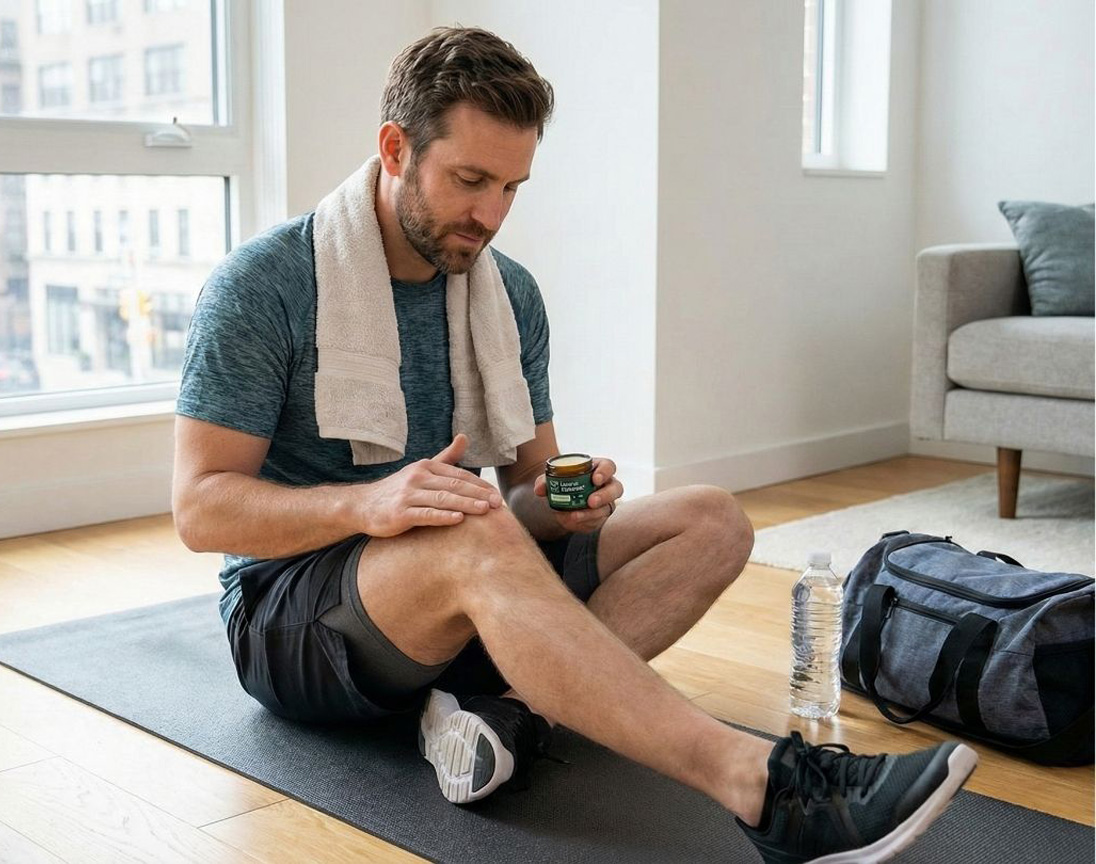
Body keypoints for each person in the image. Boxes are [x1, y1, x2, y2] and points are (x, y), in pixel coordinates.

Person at [172, 25, 978, 863]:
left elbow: (526, 490)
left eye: (512, 187)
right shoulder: (263, 286)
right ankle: (766, 789)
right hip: (295, 621)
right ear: (395, 148)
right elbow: (201, 510)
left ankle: (505, 716)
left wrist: (571, 496)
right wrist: (369, 503)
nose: (490, 215)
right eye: (470, 180)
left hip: (454, 570)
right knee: (473, 533)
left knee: (712, 518)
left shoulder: (506, 292)